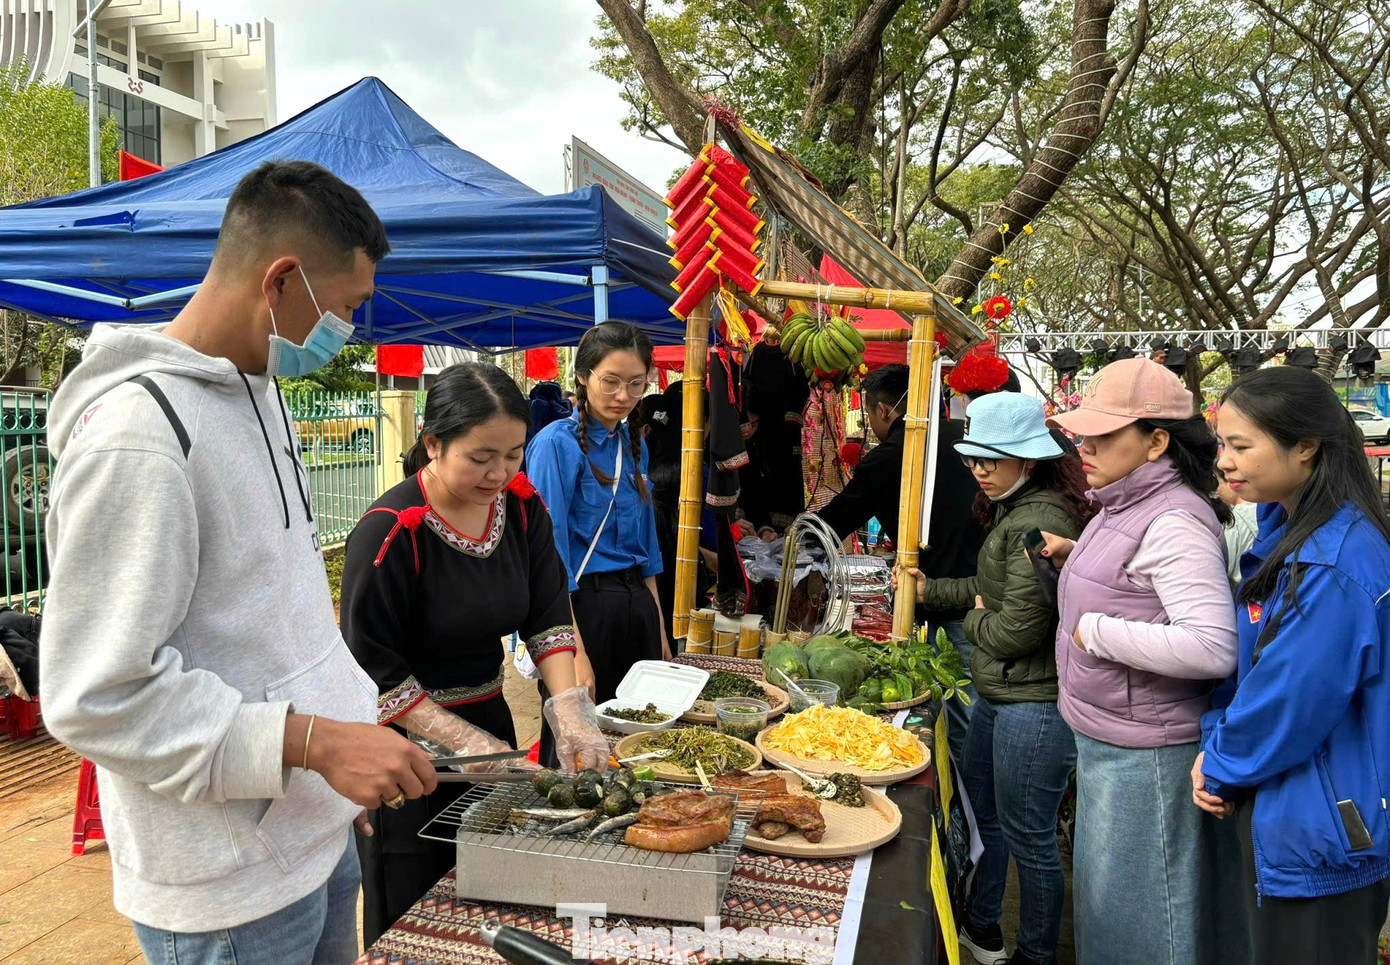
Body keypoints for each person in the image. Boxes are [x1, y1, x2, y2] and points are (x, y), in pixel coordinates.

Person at [38, 160, 437, 964]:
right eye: (348, 308)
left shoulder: (263, 392)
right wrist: (317, 742)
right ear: (282, 280)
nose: (349, 332)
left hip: (307, 836)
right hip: (224, 885)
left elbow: (276, 618)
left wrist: (333, 756)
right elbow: (94, 695)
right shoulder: (137, 435)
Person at [341, 363, 609, 945]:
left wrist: (568, 711)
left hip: (489, 719)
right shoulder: (392, 531)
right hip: (405, 749)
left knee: (488, 897)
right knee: (415, 911)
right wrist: (458, 741)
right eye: (481, 456)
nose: (500, 472)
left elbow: (547, 614)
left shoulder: (521, 508)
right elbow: (369, 663)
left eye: (514, 454)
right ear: (433, 443)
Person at [1043, 357, 1249, 965]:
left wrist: (1096, 631)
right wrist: (1076, 554)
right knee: (1115, 915)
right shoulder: (1125, 503)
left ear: (1157, 441)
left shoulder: (1174, 519)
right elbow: (1139, 579)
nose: (1084, 444)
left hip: (1149, 757)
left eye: (1104, 434)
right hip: (1115, 743)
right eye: (1084, 430)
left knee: (1145, 926)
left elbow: (1212, 645)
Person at [1194, 367, 1390, 963]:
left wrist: (1222, 764)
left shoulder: (1332, 562)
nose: (1224, 461)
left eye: (1241, 446)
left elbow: (1291, 698)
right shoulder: (1295, 532)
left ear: (1305, 446)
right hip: (1302, 811)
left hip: (1324, 828)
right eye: (1222, 444)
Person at [904, 392, 1094, 965]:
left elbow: (1016, 630)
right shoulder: (1018, 509)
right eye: (975, 459)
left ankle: (1034, 955)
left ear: (1029, 460)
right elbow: (992, 594)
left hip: (1032, 705)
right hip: (1002, 695)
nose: (981, 470)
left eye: (994, 458)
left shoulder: (1038, 519)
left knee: (1030, 839)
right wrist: (929, 592)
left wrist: (978, 615)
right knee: (991, 821)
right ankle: (983, 926)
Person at [819, 363, 987, 766]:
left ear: (883, 410)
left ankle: (964, 813)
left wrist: (795, 534)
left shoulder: (895, 454)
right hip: (988, 594)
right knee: (975, 715)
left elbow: (838, 518)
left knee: (959, 717)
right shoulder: (964, 436)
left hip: (949, 604)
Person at [527, 322, 669, 743]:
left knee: (639, 743)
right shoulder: (555, 444)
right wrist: (574, 651)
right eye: (610, 382)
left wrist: (659, 629)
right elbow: (549, 553)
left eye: (635, 384)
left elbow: (649, 553)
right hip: (583, 609)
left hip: (637, 608)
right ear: (584, 376)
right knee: (577, 744)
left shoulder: (632, 443)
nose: (623, 396)